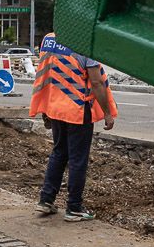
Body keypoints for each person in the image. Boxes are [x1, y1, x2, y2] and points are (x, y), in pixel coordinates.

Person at [29, 32, 117, 221]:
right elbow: (96, 81)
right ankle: (74, 207)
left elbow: (46, 73)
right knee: (78, 159)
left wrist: (45, 108)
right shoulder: (83, 42)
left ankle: (46, 199)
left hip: (55, 107)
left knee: (59, 153)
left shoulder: (49, 39)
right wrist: (107, 113)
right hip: (77, 108)